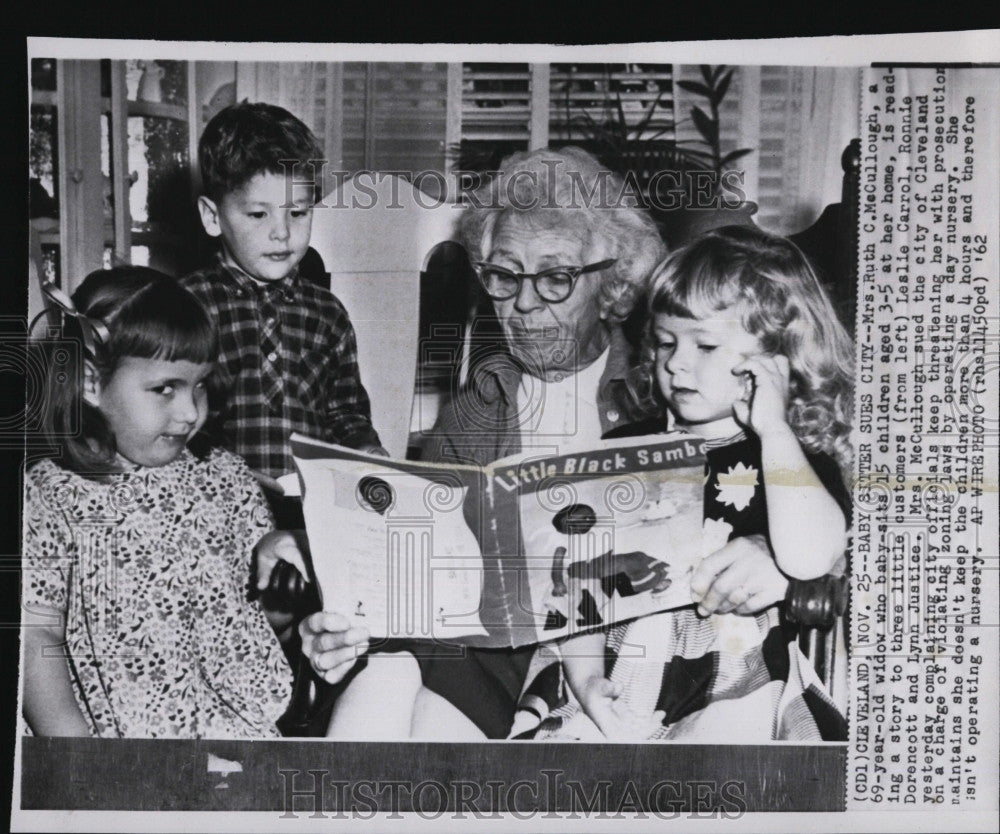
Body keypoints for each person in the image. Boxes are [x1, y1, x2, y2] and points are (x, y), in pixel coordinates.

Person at [297, 150, 787, 741]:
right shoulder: (476, 412)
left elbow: (812, 487)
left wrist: (777, 556)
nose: (524, 304)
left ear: (613, 283)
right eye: (504, 276)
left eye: (555, 278)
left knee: (412, 698)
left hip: (619, 660)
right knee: (386, 671)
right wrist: (340, 615)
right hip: (487, 654)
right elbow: (407, 563)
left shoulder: (670, 391)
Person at [542, 225, 853, 741]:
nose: (676, 362)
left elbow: (810, 559)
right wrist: (587, 677)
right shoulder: (623, 447)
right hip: (616, 661)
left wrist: (773, 428)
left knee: (716, 763)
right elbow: (577, 586)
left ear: (776, 357)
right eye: (665, 342)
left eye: (706, 345)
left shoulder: (790, 456)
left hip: (735, 664)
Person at [22, 268, 306, 739]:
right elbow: (35, 639)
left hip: (241, 740)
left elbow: (261, 625)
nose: (191, 411)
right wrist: (77, 767)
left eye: (199, 385)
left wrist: (276, 575)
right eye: (165, 388)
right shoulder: (51, 496)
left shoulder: (226, 479)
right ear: (91, 383)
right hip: (115, 756)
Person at [179, 101, 385, 521]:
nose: (282, 232)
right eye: (258, 214)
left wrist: (367, 449)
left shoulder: (328, 313)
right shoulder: (187, 306)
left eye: (298, 212)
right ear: (211, 217)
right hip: (215, 507)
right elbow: (175, 418)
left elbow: (345, 410)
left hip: (314, 510)